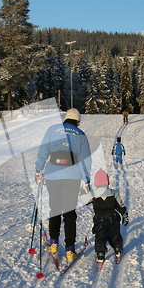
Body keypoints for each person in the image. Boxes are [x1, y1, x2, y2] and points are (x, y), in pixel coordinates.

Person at [35, 108, 92, 261]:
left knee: (55, 208)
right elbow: (86, 160)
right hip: (72, 177)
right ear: (78, 120)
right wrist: (87, 180)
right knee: (69, 213)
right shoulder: (80, 135)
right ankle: (70, 250)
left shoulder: (52, 130)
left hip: (53, 175)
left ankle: (53, 244)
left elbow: (43, 150)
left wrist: (39, 170)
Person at [86, 169, 128, 264]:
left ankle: (100, 254)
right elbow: (120, 205)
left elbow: (85, 201)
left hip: (99, 218)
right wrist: (124, 214)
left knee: (100, 235)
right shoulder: (113, 193)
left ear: (96, 182)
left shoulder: (93, 194)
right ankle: (117, 249)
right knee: (114, 234)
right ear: (107, 181)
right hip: (112, 216)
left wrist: (87, 188)